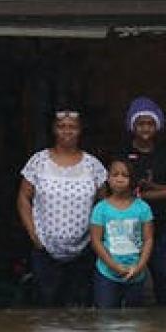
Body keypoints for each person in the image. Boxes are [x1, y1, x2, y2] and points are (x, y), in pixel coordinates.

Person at [17, 109, 108, 307]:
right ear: (54, 130)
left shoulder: (93, 165)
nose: (67, 131)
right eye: (62, 127)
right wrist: (34, 236)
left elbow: (104, 206)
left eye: (72, 127)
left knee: (78, 311)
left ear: (80, 130)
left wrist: (95, 239)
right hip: (45, 251)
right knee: (46, 311)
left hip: (83, 251)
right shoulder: (38, 161)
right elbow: (23, 198)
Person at [117, 96, 166, 305]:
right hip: (128, 231)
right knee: (130, 285)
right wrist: (159, 191)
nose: (145, 128)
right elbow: (118, 191)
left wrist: (145, 192)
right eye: (141, 123)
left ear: (157, 126)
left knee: (165, 283)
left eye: (150, 123)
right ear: (132, 126)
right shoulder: (122, 154)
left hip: (160, 228)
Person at [90, 159, 154, 308]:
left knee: (134, 321)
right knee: (106, 318)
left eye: (125, 175)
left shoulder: (143, 208)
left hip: (136, 273)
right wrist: (114, 266)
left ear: (132, 180)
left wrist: (139, 267)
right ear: (108, 178)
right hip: (107, 273)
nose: (119, 179)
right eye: (115, 175)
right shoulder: (101, 208)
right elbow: (96, 241)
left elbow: (148, 239)